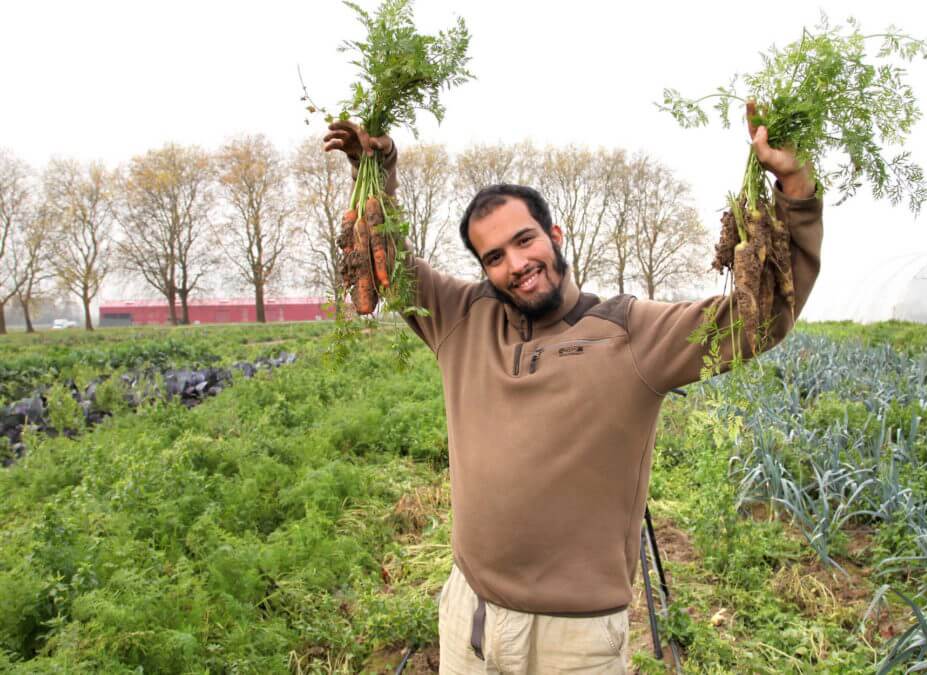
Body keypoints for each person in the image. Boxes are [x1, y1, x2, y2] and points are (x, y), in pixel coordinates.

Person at [324, 106, 822, 673]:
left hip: (575, 642)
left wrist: (795, 189)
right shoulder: (460, 319)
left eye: (524, 241)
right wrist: (379, 172)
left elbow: (762, 317)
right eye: (494, 257)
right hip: (470, 620)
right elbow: (388, 265)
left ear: (555, 235)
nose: (516, 264)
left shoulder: (631, 332)